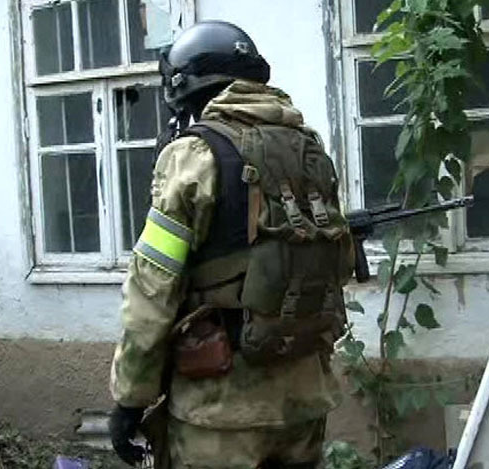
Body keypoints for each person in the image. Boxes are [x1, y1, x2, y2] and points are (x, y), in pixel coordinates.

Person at [109, 20, 354, 469]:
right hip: (304, 399)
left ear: (187, 90)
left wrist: (130, 397)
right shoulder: (308, 149)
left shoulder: (194, 155)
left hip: (220, 410)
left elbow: (152, 288)